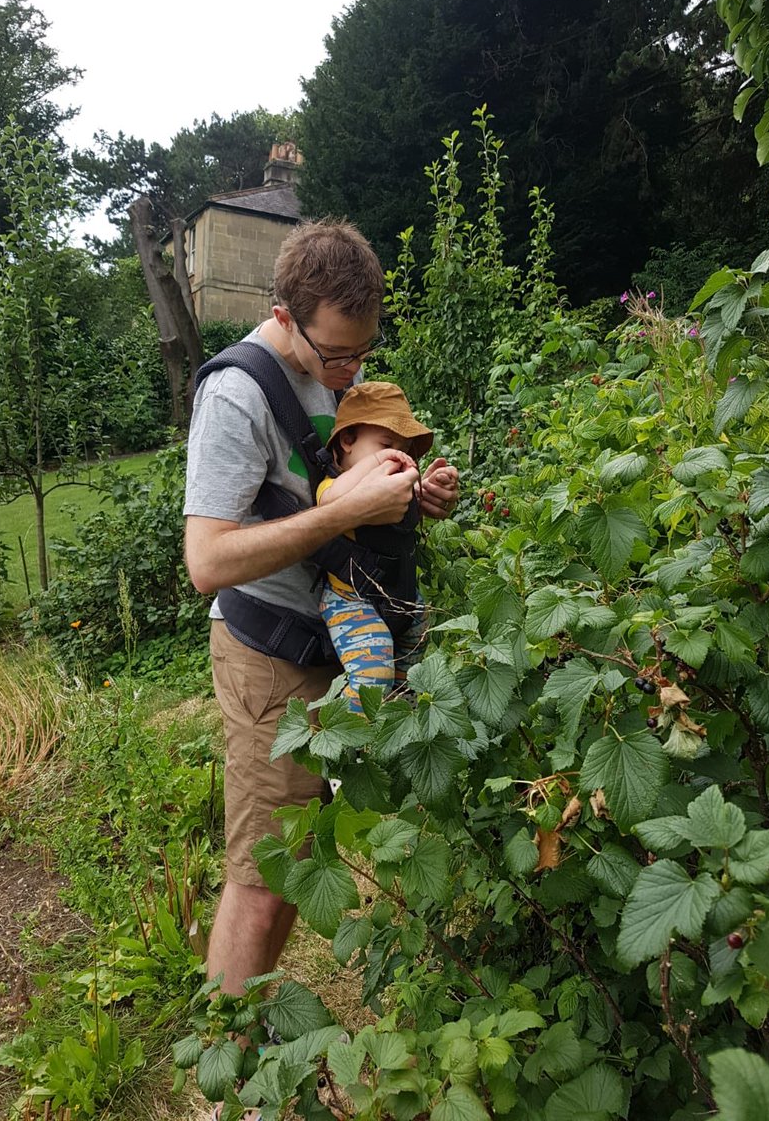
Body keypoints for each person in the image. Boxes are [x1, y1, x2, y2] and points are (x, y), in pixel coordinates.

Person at [183, 220, 459, 1010]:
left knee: (297, 864)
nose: (350, 371)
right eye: (335, 353)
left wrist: (410, 499)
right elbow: (207, 562)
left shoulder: (339, 370)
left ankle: (244, 1029)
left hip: (338, 640)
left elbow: (339, 489)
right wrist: (345, 514)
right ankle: (229, 1071)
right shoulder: (238, 392)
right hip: (270, 655)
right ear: (284, 314)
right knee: (264, 879)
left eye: (362, 352)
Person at [316, 381, 455, 712]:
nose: (399, 458)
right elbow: (331, 506)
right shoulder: (333, 485)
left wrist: (426, 488)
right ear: (348, 440)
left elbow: (404, 519)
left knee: (414, 657)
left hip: (401, 595)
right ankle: (350, 735)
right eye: (387, 444)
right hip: (352, 599)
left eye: (405, 450)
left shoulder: (391, 483)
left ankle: (398, 714)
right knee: (373, 671)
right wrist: (379, 461)